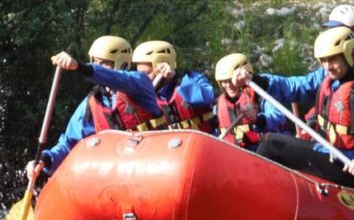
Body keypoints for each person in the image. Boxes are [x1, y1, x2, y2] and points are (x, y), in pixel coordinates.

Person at [233, 27, 354, 187]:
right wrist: (255, 79)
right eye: (323, 61)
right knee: (269, 139)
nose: (327, 66)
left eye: (332, 60)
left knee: (271, 148)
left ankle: (261, 193)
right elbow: (292, 87)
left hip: (349, 165)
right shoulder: (327, 77)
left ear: (349, 54)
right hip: (327, 151)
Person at [27, 35, 161, 178]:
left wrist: (79, 67)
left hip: (150, 165)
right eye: (95, 63)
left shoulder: (140, 83)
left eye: (103, 63)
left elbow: (116, 78)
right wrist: (44, 160)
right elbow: (68, 145)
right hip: (118, 173)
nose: (97, 66)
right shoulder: (91, 103)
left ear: (121, 63)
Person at [132, 40, 216, 132]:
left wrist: (178, 80)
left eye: (146, 73)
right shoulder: (148, 93)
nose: (142, 78)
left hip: (202, 140)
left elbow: (207, 97)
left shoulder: (192, 78)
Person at [214, 53, 287, 150]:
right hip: (234, 153)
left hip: (263, 150)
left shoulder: (260, 95)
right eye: (224, 81)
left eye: (231, 80)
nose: (228, 85)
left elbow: (278, 119)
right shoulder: (218, 104)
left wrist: (257, 119)